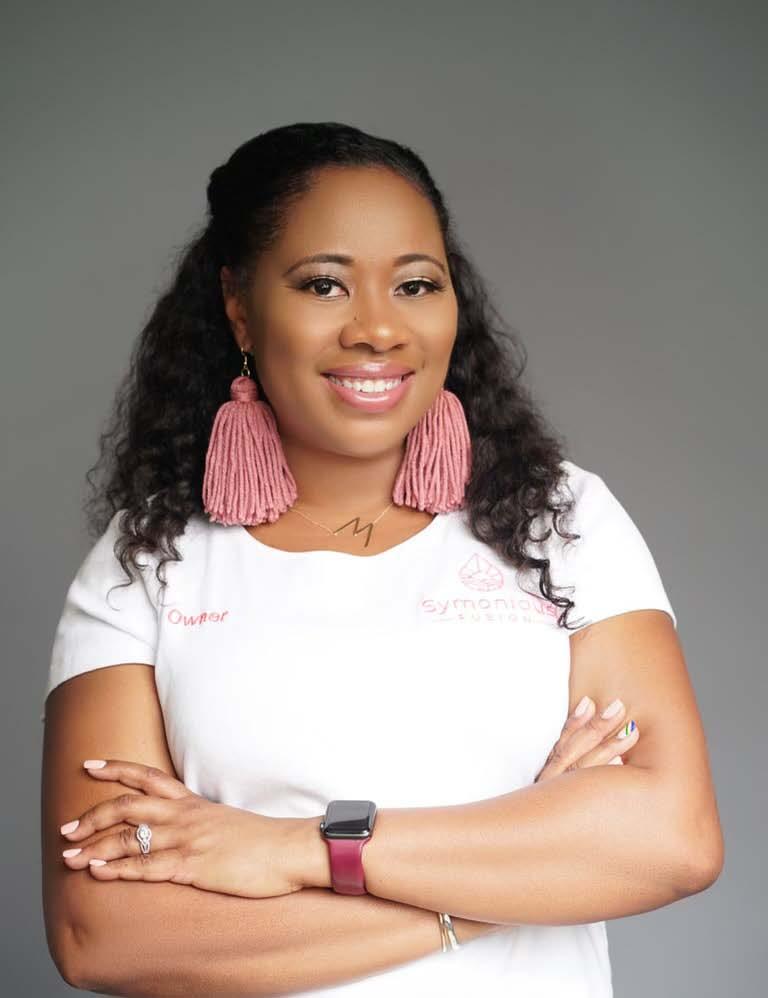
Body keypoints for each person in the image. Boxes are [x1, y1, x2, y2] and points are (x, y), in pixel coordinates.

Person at [40, 122, 723, 997]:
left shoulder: (561, 521)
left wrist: (286, 849)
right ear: (239, 306)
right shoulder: (147, 558)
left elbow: (673, 840)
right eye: (323, 284)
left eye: (415, 284)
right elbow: (103, 936)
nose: (378, 328)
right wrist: (515, 882)